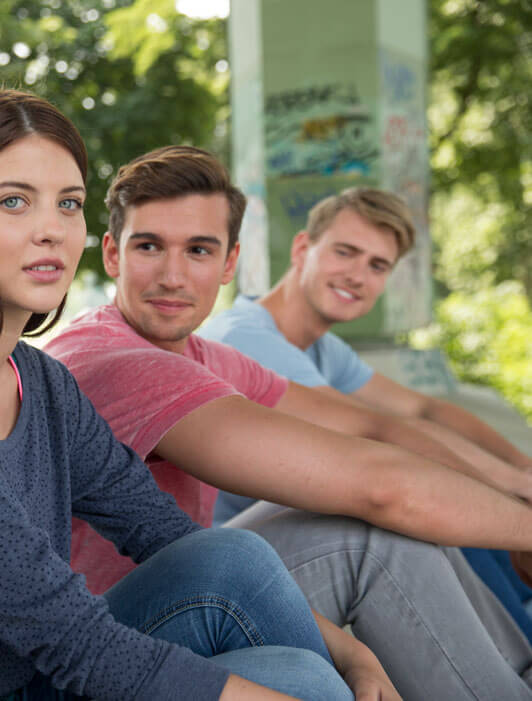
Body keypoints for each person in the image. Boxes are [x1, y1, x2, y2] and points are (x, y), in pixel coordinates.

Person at [0, 87, 390, 701]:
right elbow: (69, 640)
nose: (50, 230)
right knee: (301, 687)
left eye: (68, 204)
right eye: (13, 201)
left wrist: (353, 654)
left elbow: (165, 535)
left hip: (34, 677)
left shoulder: (40, 382)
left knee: (239, 571)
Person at [43, 145, 532, 700]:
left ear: (230, 263)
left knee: (427, 516)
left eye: (199, 250)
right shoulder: (116, 361)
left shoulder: (205, 353)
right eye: (150, 246)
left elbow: (378, 428)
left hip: (190, 583)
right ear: (113, 254)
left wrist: (516, 484)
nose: (173, 276)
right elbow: (383, 486)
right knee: (375, 534)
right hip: (104, 634)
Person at [199, 185, 532, 639]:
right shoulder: (247, 339)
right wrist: (514, 496)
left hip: (288, 537)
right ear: (303, 248)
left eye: (377, 265)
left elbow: (425, 409)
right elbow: (382, 434)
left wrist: (523, 473)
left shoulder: (323, 348)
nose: (358, 274)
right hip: (229, 567)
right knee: (434, 506)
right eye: (345, 252)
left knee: (468, 506)